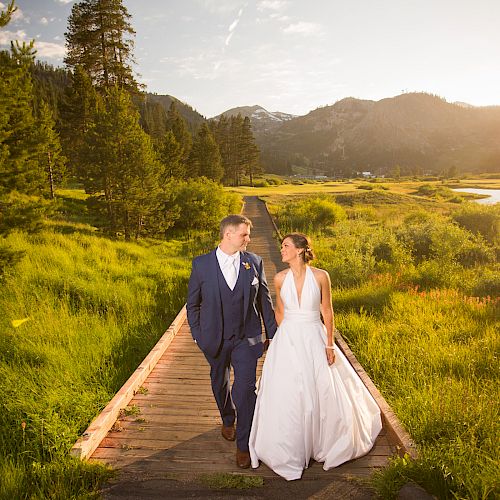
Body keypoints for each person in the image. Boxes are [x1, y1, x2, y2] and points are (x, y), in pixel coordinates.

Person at [249, 233, 382, 480]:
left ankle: (325, 441)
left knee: (321, 387)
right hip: (288, 337)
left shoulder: (321, 276)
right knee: (288, 390)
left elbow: (327, 311)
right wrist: (281, 338)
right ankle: (290, 446)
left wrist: (329, 345)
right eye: (281, 246)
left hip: (314, 335)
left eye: (285, 246)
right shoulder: (279, 278)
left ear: (300, 250)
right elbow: (280, 311)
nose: (282, 250)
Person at [187, 214, 277, 469]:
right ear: (228, 235)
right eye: (244, 234)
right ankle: (228, 419)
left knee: (245, 390)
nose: (249, 238)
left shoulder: (255, 262)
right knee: (220, 382)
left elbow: (265, 302)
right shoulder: (201, 265)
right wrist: (198, 334)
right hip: (214, 339)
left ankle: (243, 445)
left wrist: (272, 335)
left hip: (247, 340)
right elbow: (192, 304)